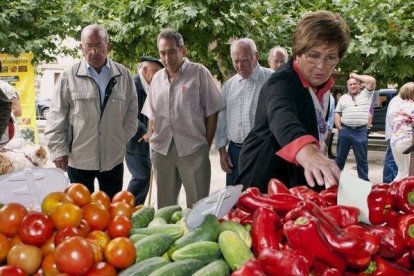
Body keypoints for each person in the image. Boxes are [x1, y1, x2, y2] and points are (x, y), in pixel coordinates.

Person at [236, 10, 350, 193]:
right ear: (297, 52)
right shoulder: (281, 82)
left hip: (297, 184)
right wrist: (308, 152)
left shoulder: (323, 88)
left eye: (330, 58)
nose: (321, 66)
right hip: (263, 185)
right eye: (313, 55)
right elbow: (282, 115)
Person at [45, 24, 138, 199]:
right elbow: (57, 116)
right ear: (81, 47)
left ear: (108, 46)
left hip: (113, 159)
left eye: (99, 45)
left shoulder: (123, 75)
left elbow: (132, 112)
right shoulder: (69, 76)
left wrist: (120, 138)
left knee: (112, 209)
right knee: (79, 212)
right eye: (89, 45)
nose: (94, 51)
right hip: (79, 158)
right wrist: (58, 150)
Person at [141, 28, 224, 208]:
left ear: (182, 50)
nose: (167, 58)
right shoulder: (157, 79)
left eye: (172, 51)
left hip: (193, 149)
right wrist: (150, 133)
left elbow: (213, 111)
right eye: (162, 53)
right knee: (165, 208)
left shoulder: (199, 73)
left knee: (197, 206)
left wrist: (205, 145)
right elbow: (151, 113)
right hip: (162, 152)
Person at [215, 38, 273, 186]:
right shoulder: (229, 85)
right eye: (236, 61)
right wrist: (222, 152)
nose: (240, 66)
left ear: (256, 56)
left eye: (245, 60)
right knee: (233, 201)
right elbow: (221, 119)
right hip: (235, 152)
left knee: (260, 199)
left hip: (262, 151)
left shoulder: (272, 80)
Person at [125, 56, 163, 205]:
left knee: (145, 175)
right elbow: (129, 115)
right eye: (156, 72)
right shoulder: (132, 85)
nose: (158, 76)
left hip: (147, 140)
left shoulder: (151, 86)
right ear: (145, 70)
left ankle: (135, 208)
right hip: (135, 140)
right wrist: (145, 132)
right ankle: (127, 208)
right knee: (141, 176)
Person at [335, 73, 376, 181]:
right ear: (347, 87)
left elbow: (371, 80)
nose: (353, 86)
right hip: (345, 130)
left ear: (359, 85)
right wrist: (339, 127)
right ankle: (335, 183)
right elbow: (337, 112)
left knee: (362, 160)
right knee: (339, 159)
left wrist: (356, 76)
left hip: (360, 132)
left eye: (355, 84)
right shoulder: (343, 98)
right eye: (350, 84)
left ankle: (363, 184)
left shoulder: (366, 95)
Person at [390, 82, 414, 181]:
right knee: (405, 173)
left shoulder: (399, 106)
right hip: (406, 142)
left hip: (395, 141)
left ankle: (392, 192)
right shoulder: (412, 106)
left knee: (402, 172)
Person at [383, 89, 402, 182]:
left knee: (396, 161)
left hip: (399, 136)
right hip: (395, 136)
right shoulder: (397, 101)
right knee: (392, 160)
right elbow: (393, 118)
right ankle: (388, 183)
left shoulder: (401, 100)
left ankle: (393, 182)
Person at [325, 93, 336, 159]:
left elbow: (332, 114)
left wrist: (330, 128)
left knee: (324, 150)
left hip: (327, 128)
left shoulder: (331, 98)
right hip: (313, 128)